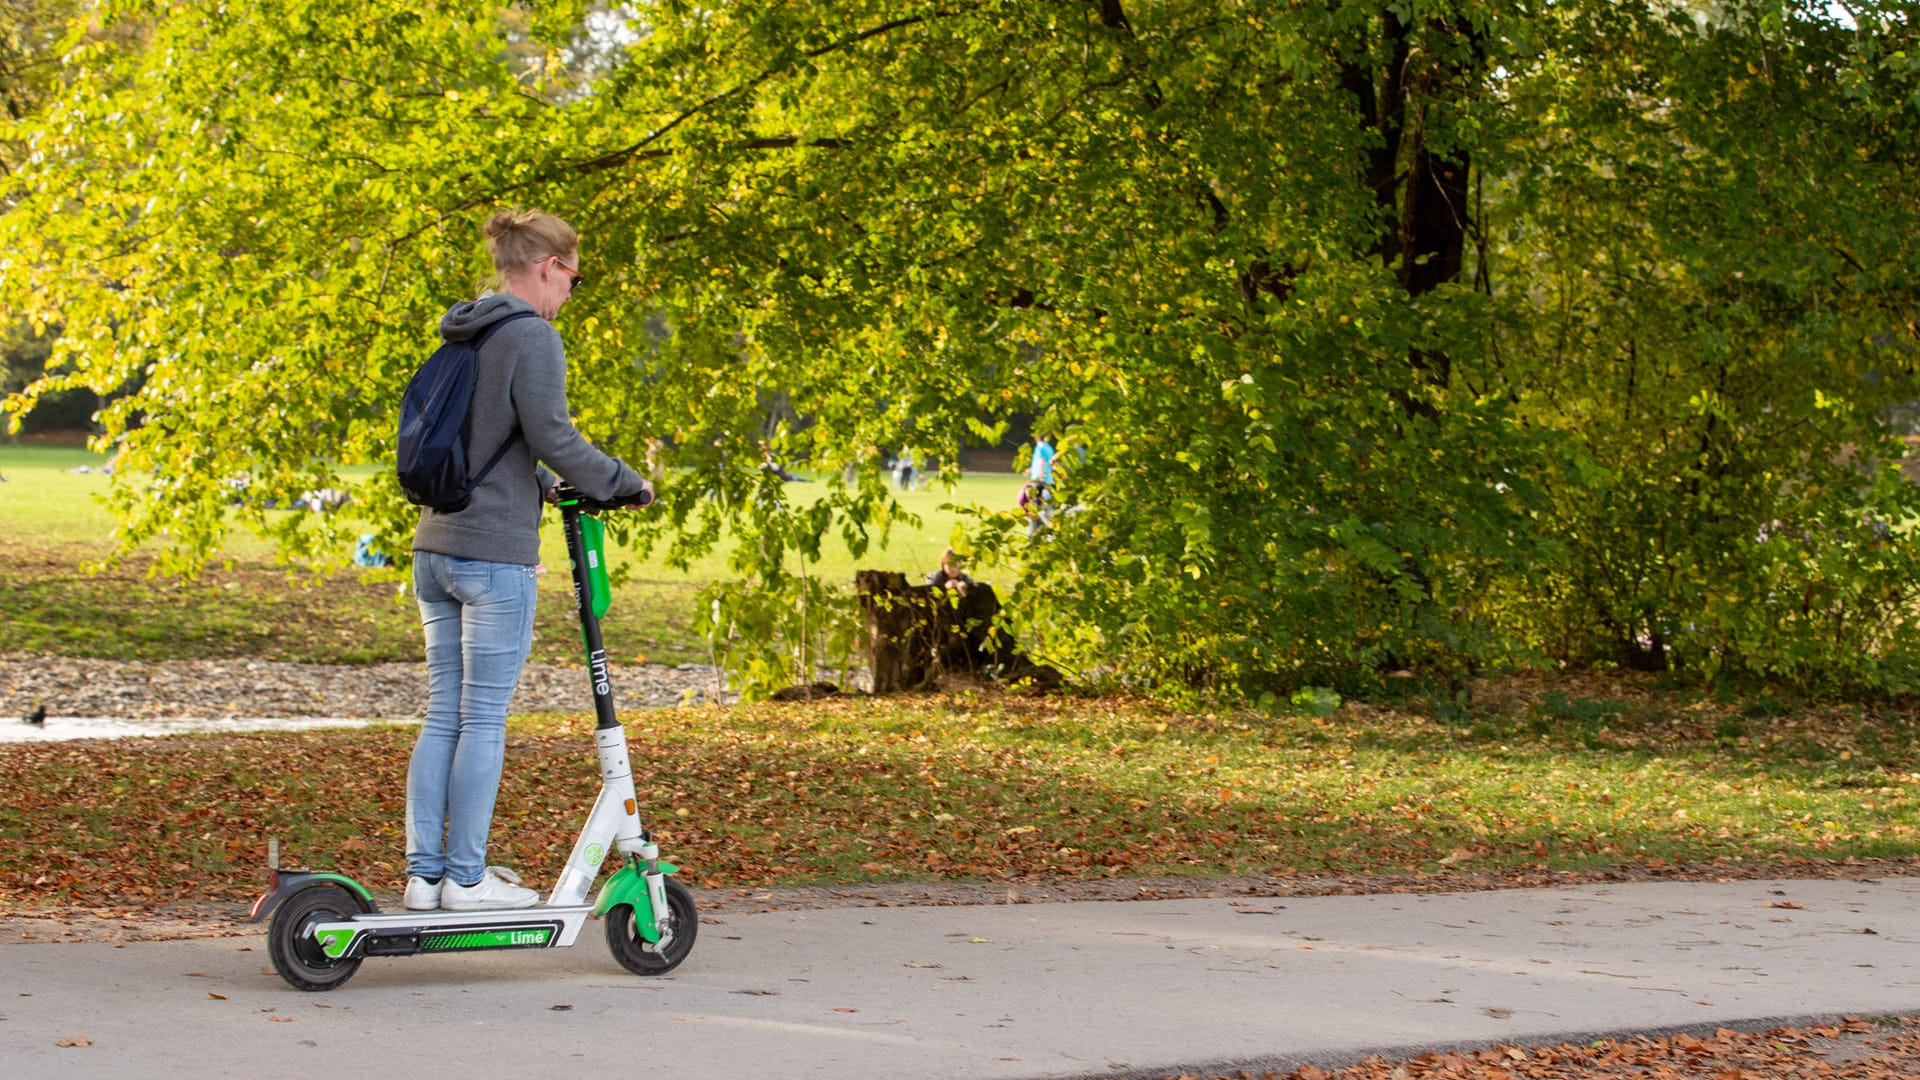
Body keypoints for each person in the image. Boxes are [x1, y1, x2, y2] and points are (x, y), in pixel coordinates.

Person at [404, 209, 653, 912]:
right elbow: (551, 433)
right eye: (575, 278)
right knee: (483, 717)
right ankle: (466, 878)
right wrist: (623, 482)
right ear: (547, 266)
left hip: (435, 547)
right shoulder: (531, 336)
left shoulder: (466, 330)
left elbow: (490, 437)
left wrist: (541, 485)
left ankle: (425, 878)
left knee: (443, 713)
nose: (572, 292)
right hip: (492, 557)